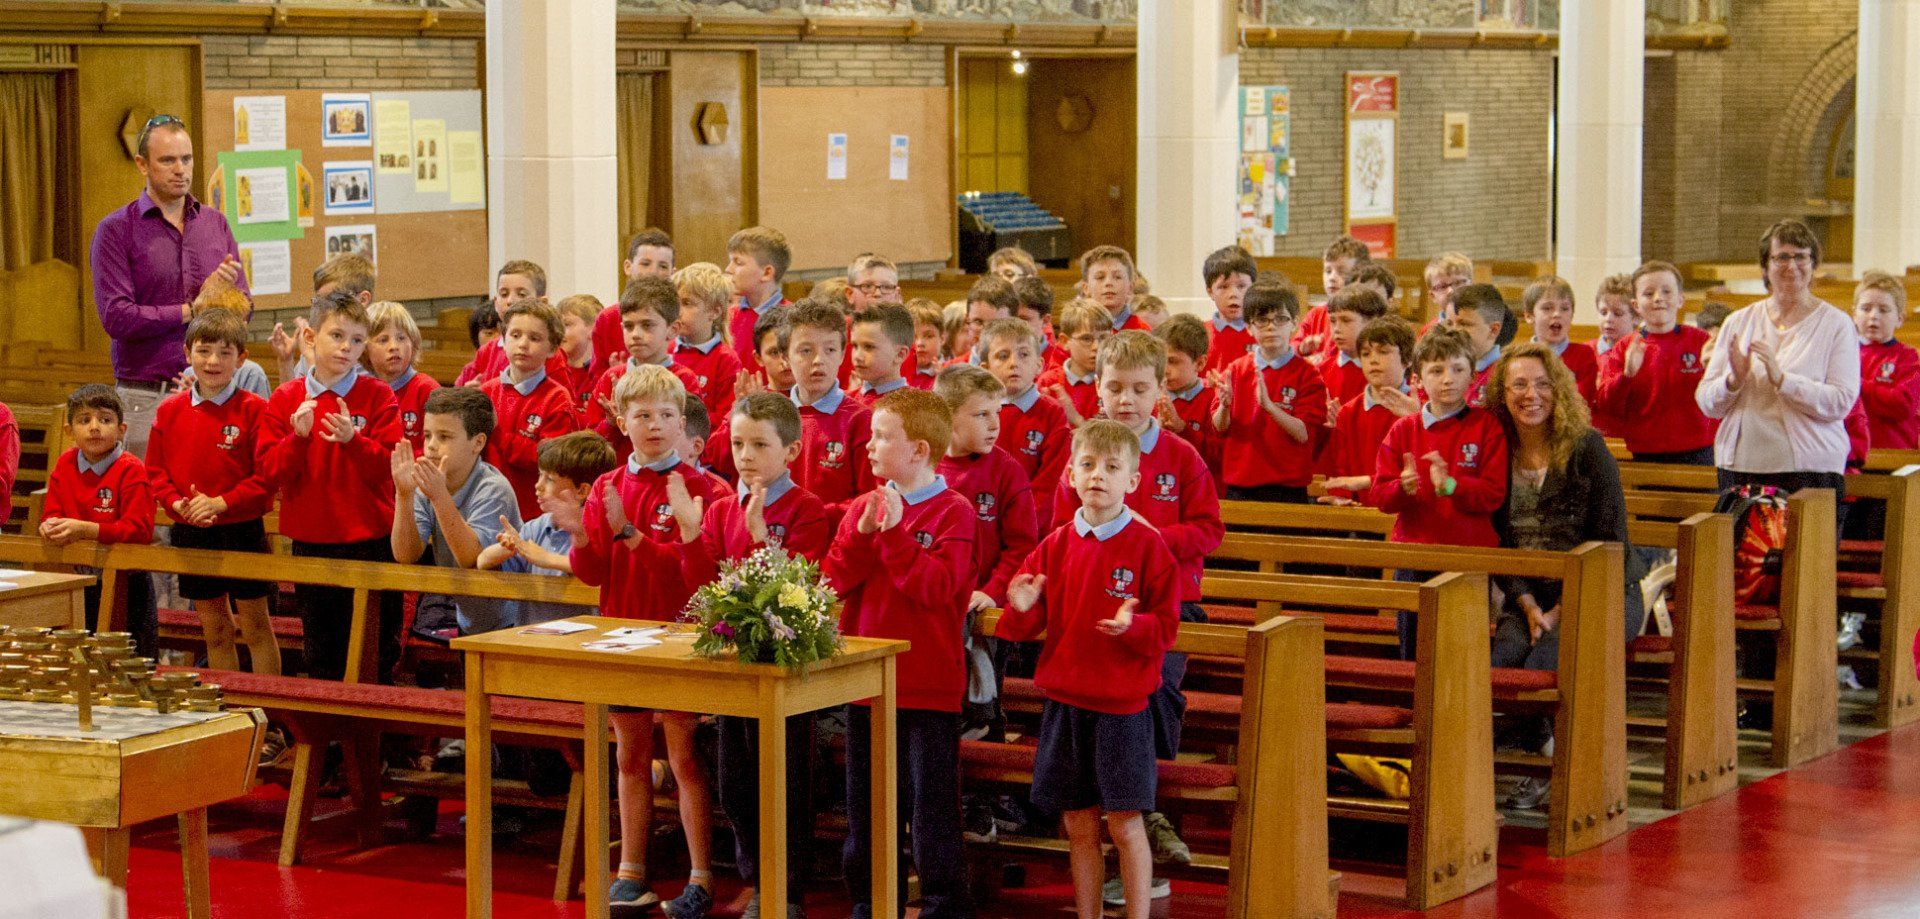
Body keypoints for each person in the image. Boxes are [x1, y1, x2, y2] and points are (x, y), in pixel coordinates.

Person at [1057, 329, 1220, 884]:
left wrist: (1150, 539)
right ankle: (1117, 825)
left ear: (1159, 391)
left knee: (1154, 695)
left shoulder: (1181, 456)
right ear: (1097, 389)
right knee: (1088, 711)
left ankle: (1144, 815)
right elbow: (1059, 529)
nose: (1125, 399)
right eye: (1114, 388)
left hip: (1168, 606)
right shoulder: (1083, 454)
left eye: (1139, 389)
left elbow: (1209, 530)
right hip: (1092, 608)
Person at [1002, 419, 1180, 919]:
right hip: (1066, 704)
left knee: (1124, 824)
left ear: (1133, 481)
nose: (1098, 474)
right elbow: (1027, 621)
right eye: (1087, 464)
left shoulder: (1149, 546)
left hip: (1122, 710)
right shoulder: (1055, 544)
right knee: (1078, 825)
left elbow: (1167, 627)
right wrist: (1021, 606)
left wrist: (1133, 626)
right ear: (1070, 475)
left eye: (1111, 467)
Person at [568, 364, 722, 912]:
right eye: (642, 415)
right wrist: (582, 534)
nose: (654, 425)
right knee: (630, 757)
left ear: (682, 423)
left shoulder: (704, 488)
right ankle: (631, 870)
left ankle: (700, 877)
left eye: (665, 415)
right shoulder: (608, 485)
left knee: (684, 760)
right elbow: (591, 572)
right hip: (623, 636)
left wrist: (630, 534)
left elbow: (693, 577)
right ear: (621, 421)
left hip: (682, 640)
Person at [674, 392, 831, 919]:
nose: (745, 455)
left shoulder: (806, 509)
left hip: (785, 672)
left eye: (760, 445)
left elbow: (796, 594)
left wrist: (763, 538)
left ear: (791, 450)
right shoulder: (722, 510)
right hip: (733, 668)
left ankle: (786, 890)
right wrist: (691, 534)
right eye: (738, 443)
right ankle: (758, 879)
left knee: (784, 784)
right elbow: (703, 587)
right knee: (737, 785)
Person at [824, 388, 976, 919]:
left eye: (881, 437)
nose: (869, 446)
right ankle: (871, 901)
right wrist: (864, 535)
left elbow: (936, 589)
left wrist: (893, 537)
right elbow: (834, 580)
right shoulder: (864, 507)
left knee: (931, 809)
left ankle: (943, 905)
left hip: (927, 686)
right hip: (866, 684)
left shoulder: (956, 512)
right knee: (868, 807)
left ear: (918, 449)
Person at [1485, 342, 1645, 809]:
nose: (1530, 395)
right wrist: (1527, 604)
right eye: (1518, 384)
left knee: (1541, 671)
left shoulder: (1586, 448)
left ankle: (1561, 766)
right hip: (1529, 596)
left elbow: (1609, 539)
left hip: (1602, 589)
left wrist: (1557, 610)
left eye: (1541, 384)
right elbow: (1500, 542)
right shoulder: (1499, 451)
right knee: (1496, 668)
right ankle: (1544, 757)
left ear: (1558, 390)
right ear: (1502, 394)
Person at [258, 290, 404, 682]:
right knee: (322, 652)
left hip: (370, 541)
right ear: (310, 337)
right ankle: (329, 722)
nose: (346, 348)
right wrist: (297, 439)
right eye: (337, 336)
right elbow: (269, 472)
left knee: (377, 651)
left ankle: (376, 722)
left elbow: (390, 468)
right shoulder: (287, 397)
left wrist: (353, 441)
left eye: (356, 340)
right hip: (313, 542)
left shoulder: (378, 394)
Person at [91, 114, 247, 456]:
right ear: (142, 164)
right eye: (168, 160)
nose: (181, 170)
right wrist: (193, 309)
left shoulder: (215, 223)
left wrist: (221, 300)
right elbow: (117, 317)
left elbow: (244, 308)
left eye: (186, 159)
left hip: (214, 394)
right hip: (146, 397)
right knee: (143, 490)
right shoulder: (115, 230)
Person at [1697, 220, 1861, 515]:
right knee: (1738, 547)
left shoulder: (1836, 324)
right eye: (1781, 257)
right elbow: (1708, 403)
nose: (1791, 266)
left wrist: (1784, 380)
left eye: (1801, 257)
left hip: (1810, 470)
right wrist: (1733, 380)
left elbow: (1840, 401)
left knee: (1808, 547)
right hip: (1742, 467)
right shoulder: (1739, 322)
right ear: (1765, 267)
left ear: (1813, 264)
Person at [146, 309, 276, 674]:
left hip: (242, 530)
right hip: (192, 530)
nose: (213, 361)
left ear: (241, 358)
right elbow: (155, 472)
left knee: (256, 629)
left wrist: (220, 503)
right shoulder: (169, 411)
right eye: (204, 351)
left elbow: (266, 477)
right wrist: (177, 504)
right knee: (216, 631)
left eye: (224, 352)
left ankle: (266, 705)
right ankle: (225, 704)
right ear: (188, 353)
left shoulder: (255, 410)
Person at [1369, 328, 1509, 659]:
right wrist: (1402, 488)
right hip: (1415, 555)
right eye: (1436, 370)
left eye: (1458, 369)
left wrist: (1451, 486)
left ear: (1473, 375)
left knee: (1465, 653)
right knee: (1414, 650)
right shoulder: (1403, 429)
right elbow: (1379, 495)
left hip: (1469, 556)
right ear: (1417, 379)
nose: (1448, 379)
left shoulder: (1487, 426)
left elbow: (1494, 493)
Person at [389, 388, 519, 635]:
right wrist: (404, 495)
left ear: (478, 442)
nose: (431, 446)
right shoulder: (429, 484)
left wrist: (440, 497)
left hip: (512, 620)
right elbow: (406, 555)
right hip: (468, 616)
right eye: (427, 436)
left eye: (444, 437)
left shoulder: (493, 489)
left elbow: (471, 559)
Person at [41, 385, 157, 658]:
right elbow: (52, 513)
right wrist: (48, 525)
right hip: (79, 579)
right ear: (70, 431)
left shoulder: (131, 469)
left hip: (128, 584)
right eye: (84, 420)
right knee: (80, 657)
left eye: (105, 420)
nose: (94, 428)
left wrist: (86, 529)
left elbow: (139, 530)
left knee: (130, 661)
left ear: (121, 429)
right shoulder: (65, 464)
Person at [477, 430, 617, 628]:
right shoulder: (537, 527)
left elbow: (598, 570)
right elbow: (482, 561)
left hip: (583, 641)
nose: (538, 485)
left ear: (582, 490)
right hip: (530, 638)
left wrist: (547, 559)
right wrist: (507, 548)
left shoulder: (604, 530)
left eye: (549, 479)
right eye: (539, 475)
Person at [1209, 282, 1328, 502]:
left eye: (1280, 319)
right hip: (1240, 485)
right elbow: (1220, 427)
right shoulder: (1235, 370)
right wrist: (1225, 406)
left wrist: (1269, 407)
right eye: (1262, 320)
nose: (1271, 327)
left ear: (1294, 323)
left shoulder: (1308, 374)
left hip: (1288, 487)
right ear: (1249, 327)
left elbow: (1304, 434)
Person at [1598, 261, 1717, 464]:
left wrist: (1713, 371)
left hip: (1700, 450)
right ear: (1635, 305)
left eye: (1666, 292)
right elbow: (1607, 406)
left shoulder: (1702, 341)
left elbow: (1721, 396)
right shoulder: (1625, 347)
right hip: (1644, 452)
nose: (1658, 298)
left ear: (1680, 299)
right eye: (1648, 293)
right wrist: (1626, 376)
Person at [479, 299, 581, 519]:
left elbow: (548, 460)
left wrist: (498, 434)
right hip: (488, 506)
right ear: (503, 339)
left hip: (533, 512)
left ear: (552, 349)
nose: (523, 344)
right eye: (515, 335)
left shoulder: (557, 398)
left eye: (534, 338)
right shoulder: (486, 392)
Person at [585, 277, 703, 465]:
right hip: (620, 477)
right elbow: (589, 446)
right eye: (629, 326)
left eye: (647, 325)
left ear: (673, 329)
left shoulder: (684, 380)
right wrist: (611, 423)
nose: (636, 335)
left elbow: (686, 438)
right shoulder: (611, 378)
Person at [782, 299, 877, 528]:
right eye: (806, 350)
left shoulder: (860, 420)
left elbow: (870, 499)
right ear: (785, 356)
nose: (818, 360)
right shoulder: (774, 416)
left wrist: (813, 516)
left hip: (837, 540)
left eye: (830, 350)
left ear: (843, 354)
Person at [983, 318, 1071, 532]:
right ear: (985, 368)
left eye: (1023, 354)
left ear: (1039, 365)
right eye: (1003, 356)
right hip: (983, 522)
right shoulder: (978, 410)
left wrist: (1020, 526)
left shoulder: (1052, 414)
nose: (1014, 363)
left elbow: (1049, 485)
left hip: (1030, 529)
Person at [1320, 317, 1418, 506]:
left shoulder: (1421, 407)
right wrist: (1341, 497)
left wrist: (1417, 420)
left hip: (1409, 511)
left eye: (1383, 352)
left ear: (1406, 359)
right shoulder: (1348, 413)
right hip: (1362, 512)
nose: (1373, 360)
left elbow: (1422, 471)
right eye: (1365, 353)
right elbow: (1340, 469)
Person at [454, 260, 550, 386]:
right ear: (496, 302)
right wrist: (467, 393)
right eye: (504, 294)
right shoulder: (486, 351)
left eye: (522, 294)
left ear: (542, 303)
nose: (510, 301)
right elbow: (459, 391)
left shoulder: (548, 351)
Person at [362, 302, 439, 456]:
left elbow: (437, 447)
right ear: (364, 350)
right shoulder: (363, 392)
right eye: (383, 340)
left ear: (413, 343)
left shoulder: (427, 389)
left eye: (401, 338)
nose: (394, 346)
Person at [1853, 271, 1919, 451]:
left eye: (1883, 310)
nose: (1873, 316)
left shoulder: (1908, 357)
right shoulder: (1844, 352)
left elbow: (1903, 405)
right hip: (1849, 451)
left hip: (1893, 451)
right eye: (1866, 308)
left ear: (1899, 319)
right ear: (1854, 315)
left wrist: (1855, 384)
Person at [594, 228, 676, 370]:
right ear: (628, 267)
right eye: (645, 264)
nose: (653, 272)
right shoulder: (607, 319)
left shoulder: (681, 317)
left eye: (663, 266)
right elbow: (597, 375)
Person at [672, 263, 743, 422]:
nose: (678, 311)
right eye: (675, 303)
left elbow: (726, 418)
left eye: (687, 303)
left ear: (714, 311)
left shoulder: (726, 360)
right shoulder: (667, 350)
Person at [1153, 314, 1220, 479]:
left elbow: (1217, 456)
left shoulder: (1213, 399)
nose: (1164, 369)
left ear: (1200, 363)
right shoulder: (1150, 396)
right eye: (1160, 361)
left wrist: (1182, 429)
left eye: (1173, 361)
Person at [726, 226, 793, 375]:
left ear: (767, 272)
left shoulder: (793, 320)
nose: (728, 269)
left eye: (738, 262)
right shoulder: (727, 317)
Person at [1524, 276, 1599, 406]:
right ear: (1530, 316)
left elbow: (1581, 400)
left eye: (1564, 309)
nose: (1557, 314)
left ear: (1572, 315)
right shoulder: (1519, 358)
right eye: (1547, 308)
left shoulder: (1584, 355)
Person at [1318, 285, 1392, 413]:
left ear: (1372, 322)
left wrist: (1345, 421)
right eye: (1333, 321)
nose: (1337, 329)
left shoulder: (1388, 371)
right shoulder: (1320, 371)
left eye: (1346, 320)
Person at [1294, 235, 1370, 357]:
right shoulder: (1315, 315)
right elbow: (1293, 347)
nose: (1332, 278)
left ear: (1360, 277)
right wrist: (1302, 349)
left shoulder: (1366, 317)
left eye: (1342, 272)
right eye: (1328, 271)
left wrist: (1324, 362)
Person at [1038, 300, 1112, 424]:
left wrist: (1076, 419)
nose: (1097, 346)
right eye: (1086, 339)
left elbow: (1114, 434)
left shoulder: (1113, 383)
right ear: (1065, 341)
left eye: (1104, 338)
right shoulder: (1049, 382)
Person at [1448, 283, 1515, 408]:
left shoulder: (1506, 374)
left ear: (1493, 330)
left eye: (1464, 324)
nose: (1453, 331)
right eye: (1449, 323)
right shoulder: (1445, 369)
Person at [1199, 246, 1257, 376]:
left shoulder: (1263, 333)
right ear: (1210, 292)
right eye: (1223, 287)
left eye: (1241, 286)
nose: (1233, 294)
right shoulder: (1199, 334)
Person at [849, 304, 915, 405]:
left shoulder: (913, 406)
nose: (857, 356)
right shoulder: (845, 401)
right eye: (855, 346)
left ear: (900, 354)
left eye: (869, 347)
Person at [1079, 246, 1150, 333]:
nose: (1109, 283)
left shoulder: (1142, 330)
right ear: (1086, 288)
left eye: (1117, 277)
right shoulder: (1075, 328)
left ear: (1130, 287)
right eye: (1100, 277)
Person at [553, 294, 604, 409]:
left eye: (566, 324)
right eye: (556, 326)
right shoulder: (554, 372)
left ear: (593, 329)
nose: (557, 332)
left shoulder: (600, 374)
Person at [1011, 276, 1065, 373]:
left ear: (1045, 321)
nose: (1013, 325)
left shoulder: (1059, 363)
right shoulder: (996, 354)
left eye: (1023, 320)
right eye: (1011, 318)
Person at [962, 276, 1020, 363]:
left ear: (1015, 326)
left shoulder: (1027, 369)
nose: (985, 332)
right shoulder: (949, 369)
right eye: (978, 322)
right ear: (967, 321)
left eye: (996, 325)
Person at [1421, 252, 1475, 334]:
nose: (1451, 290)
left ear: (1472, 286)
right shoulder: (1428, 331)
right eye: (1442, 286)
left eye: (1458, 283)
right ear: (1433, 296)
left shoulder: (1485, 325)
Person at [905, 298, 947, 388]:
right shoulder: (895, 373)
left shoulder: (950, 373)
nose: (920, 343)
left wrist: (943, 383)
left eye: (928, 336)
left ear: (942, 338)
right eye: (912, 337)